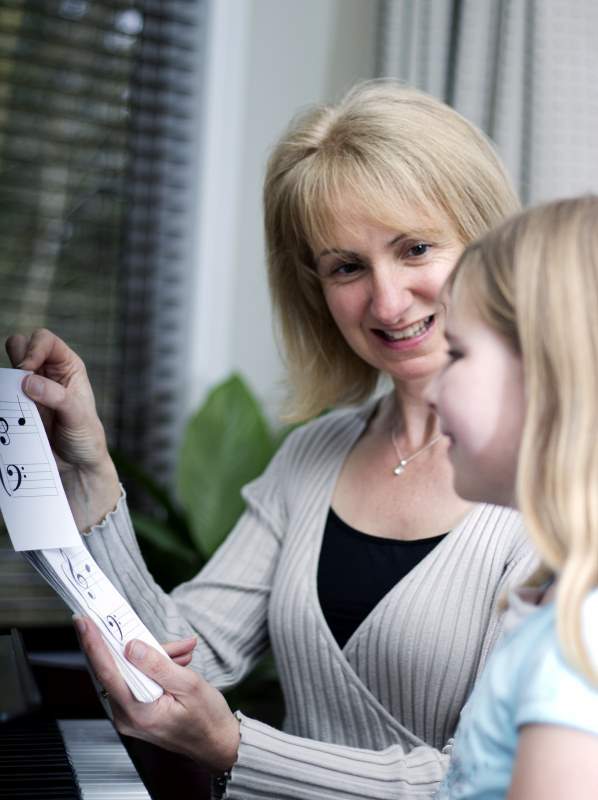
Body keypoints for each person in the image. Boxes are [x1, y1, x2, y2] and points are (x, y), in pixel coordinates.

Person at [7, 81, 536, 799]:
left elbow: (486, 780)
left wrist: (233, 745)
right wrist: (90, 469)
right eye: (347, 266)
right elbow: (180, 650)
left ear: (488, 241)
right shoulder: (314, 455)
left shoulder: (557, 481)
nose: (385, 301)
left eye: (415, 248)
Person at [432, 195, 598, 799]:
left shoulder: (578, 644)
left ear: (550, 376)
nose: (430, 393)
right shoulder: (559, 607)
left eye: (456, 353)